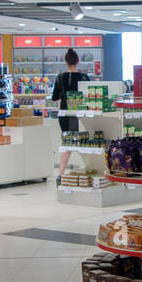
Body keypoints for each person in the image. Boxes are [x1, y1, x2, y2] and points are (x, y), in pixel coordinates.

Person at [52, 48, 89, 184]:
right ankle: (89, 169)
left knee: (67, 143)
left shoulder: (60, 77)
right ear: (78, 61)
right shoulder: (84, 77)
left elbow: (54, 97)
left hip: (65, 114)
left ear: (66, 62)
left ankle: (60, 174)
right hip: (80, 114)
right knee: (84, 142)